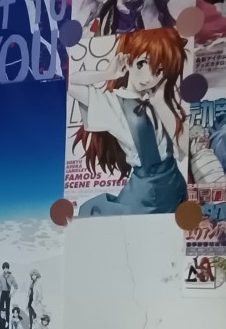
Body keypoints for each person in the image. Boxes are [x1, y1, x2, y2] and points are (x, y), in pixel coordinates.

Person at [69, 28, 190, 216]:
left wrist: (160, 104)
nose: (148, 78)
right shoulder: (111, 102)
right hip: (144, 193)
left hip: (175, 183)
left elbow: (185, 147)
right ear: (129, 60)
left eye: (159, 70)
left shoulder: (161, 99)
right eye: (142, 64)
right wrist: (108, 73)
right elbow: (69, 83)